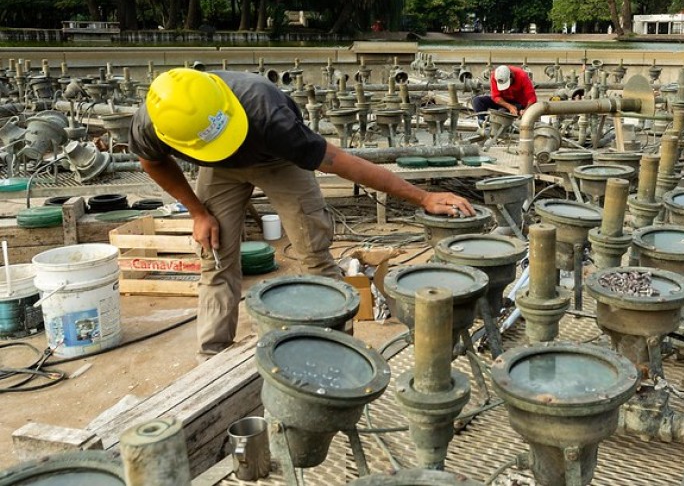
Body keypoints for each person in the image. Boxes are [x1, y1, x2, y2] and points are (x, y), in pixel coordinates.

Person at [129, 68, 475, 359]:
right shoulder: (155, 121)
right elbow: (152, 162)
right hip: (219, 169)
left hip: (278, 159)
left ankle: (340, 350)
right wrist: (197, 213)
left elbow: (340, 163)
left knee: (314, 253)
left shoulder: (267, 112)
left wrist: (423, 196)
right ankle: (213, 360)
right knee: (215, 256)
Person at [471, 65, 537, 122]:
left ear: (511, 76)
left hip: (518, 103)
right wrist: (509, 106)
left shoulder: (522, 76)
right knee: (477, 101)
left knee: (502, 113)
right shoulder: (495, 76)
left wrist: (526, 110)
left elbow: (532, 98)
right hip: (503, 102)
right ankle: (482, 123)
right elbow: (495, 97)